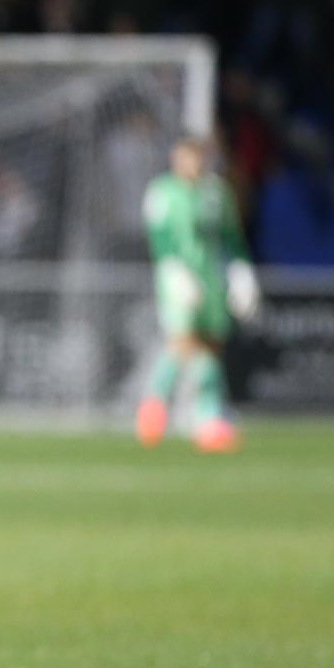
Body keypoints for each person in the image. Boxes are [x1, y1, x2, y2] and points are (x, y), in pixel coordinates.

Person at [135, 137, 260, 452]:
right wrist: (175, 273)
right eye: (186, 158)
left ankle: (203, 418)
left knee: (210, 345)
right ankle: (160, 407)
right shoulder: (162, 191)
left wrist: (241, 273)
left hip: (212, 278)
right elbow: (160, 237)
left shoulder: (217, 192)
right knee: (183, 342)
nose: (192, 164)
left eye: (198, 158)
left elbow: (231, 236)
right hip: (177, 278)